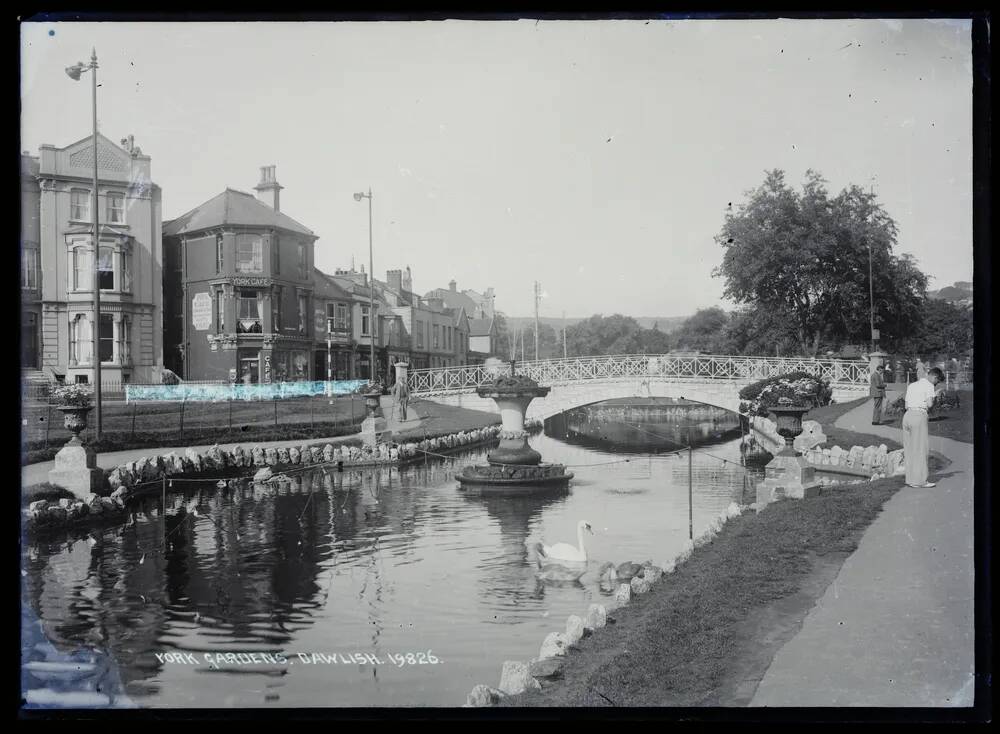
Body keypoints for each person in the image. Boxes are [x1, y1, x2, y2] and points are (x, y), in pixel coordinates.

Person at [902, 367, 943, 488]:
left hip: (907, 416)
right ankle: (920, 481)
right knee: (920, 449)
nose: (936, 383)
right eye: (937, 381)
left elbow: (906, 404)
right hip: (919, 416)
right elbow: (930, 404)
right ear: (934, 377)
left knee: (909, 449)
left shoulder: (912, 385)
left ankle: (910, 479)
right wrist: (935, 395)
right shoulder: (929, 386)